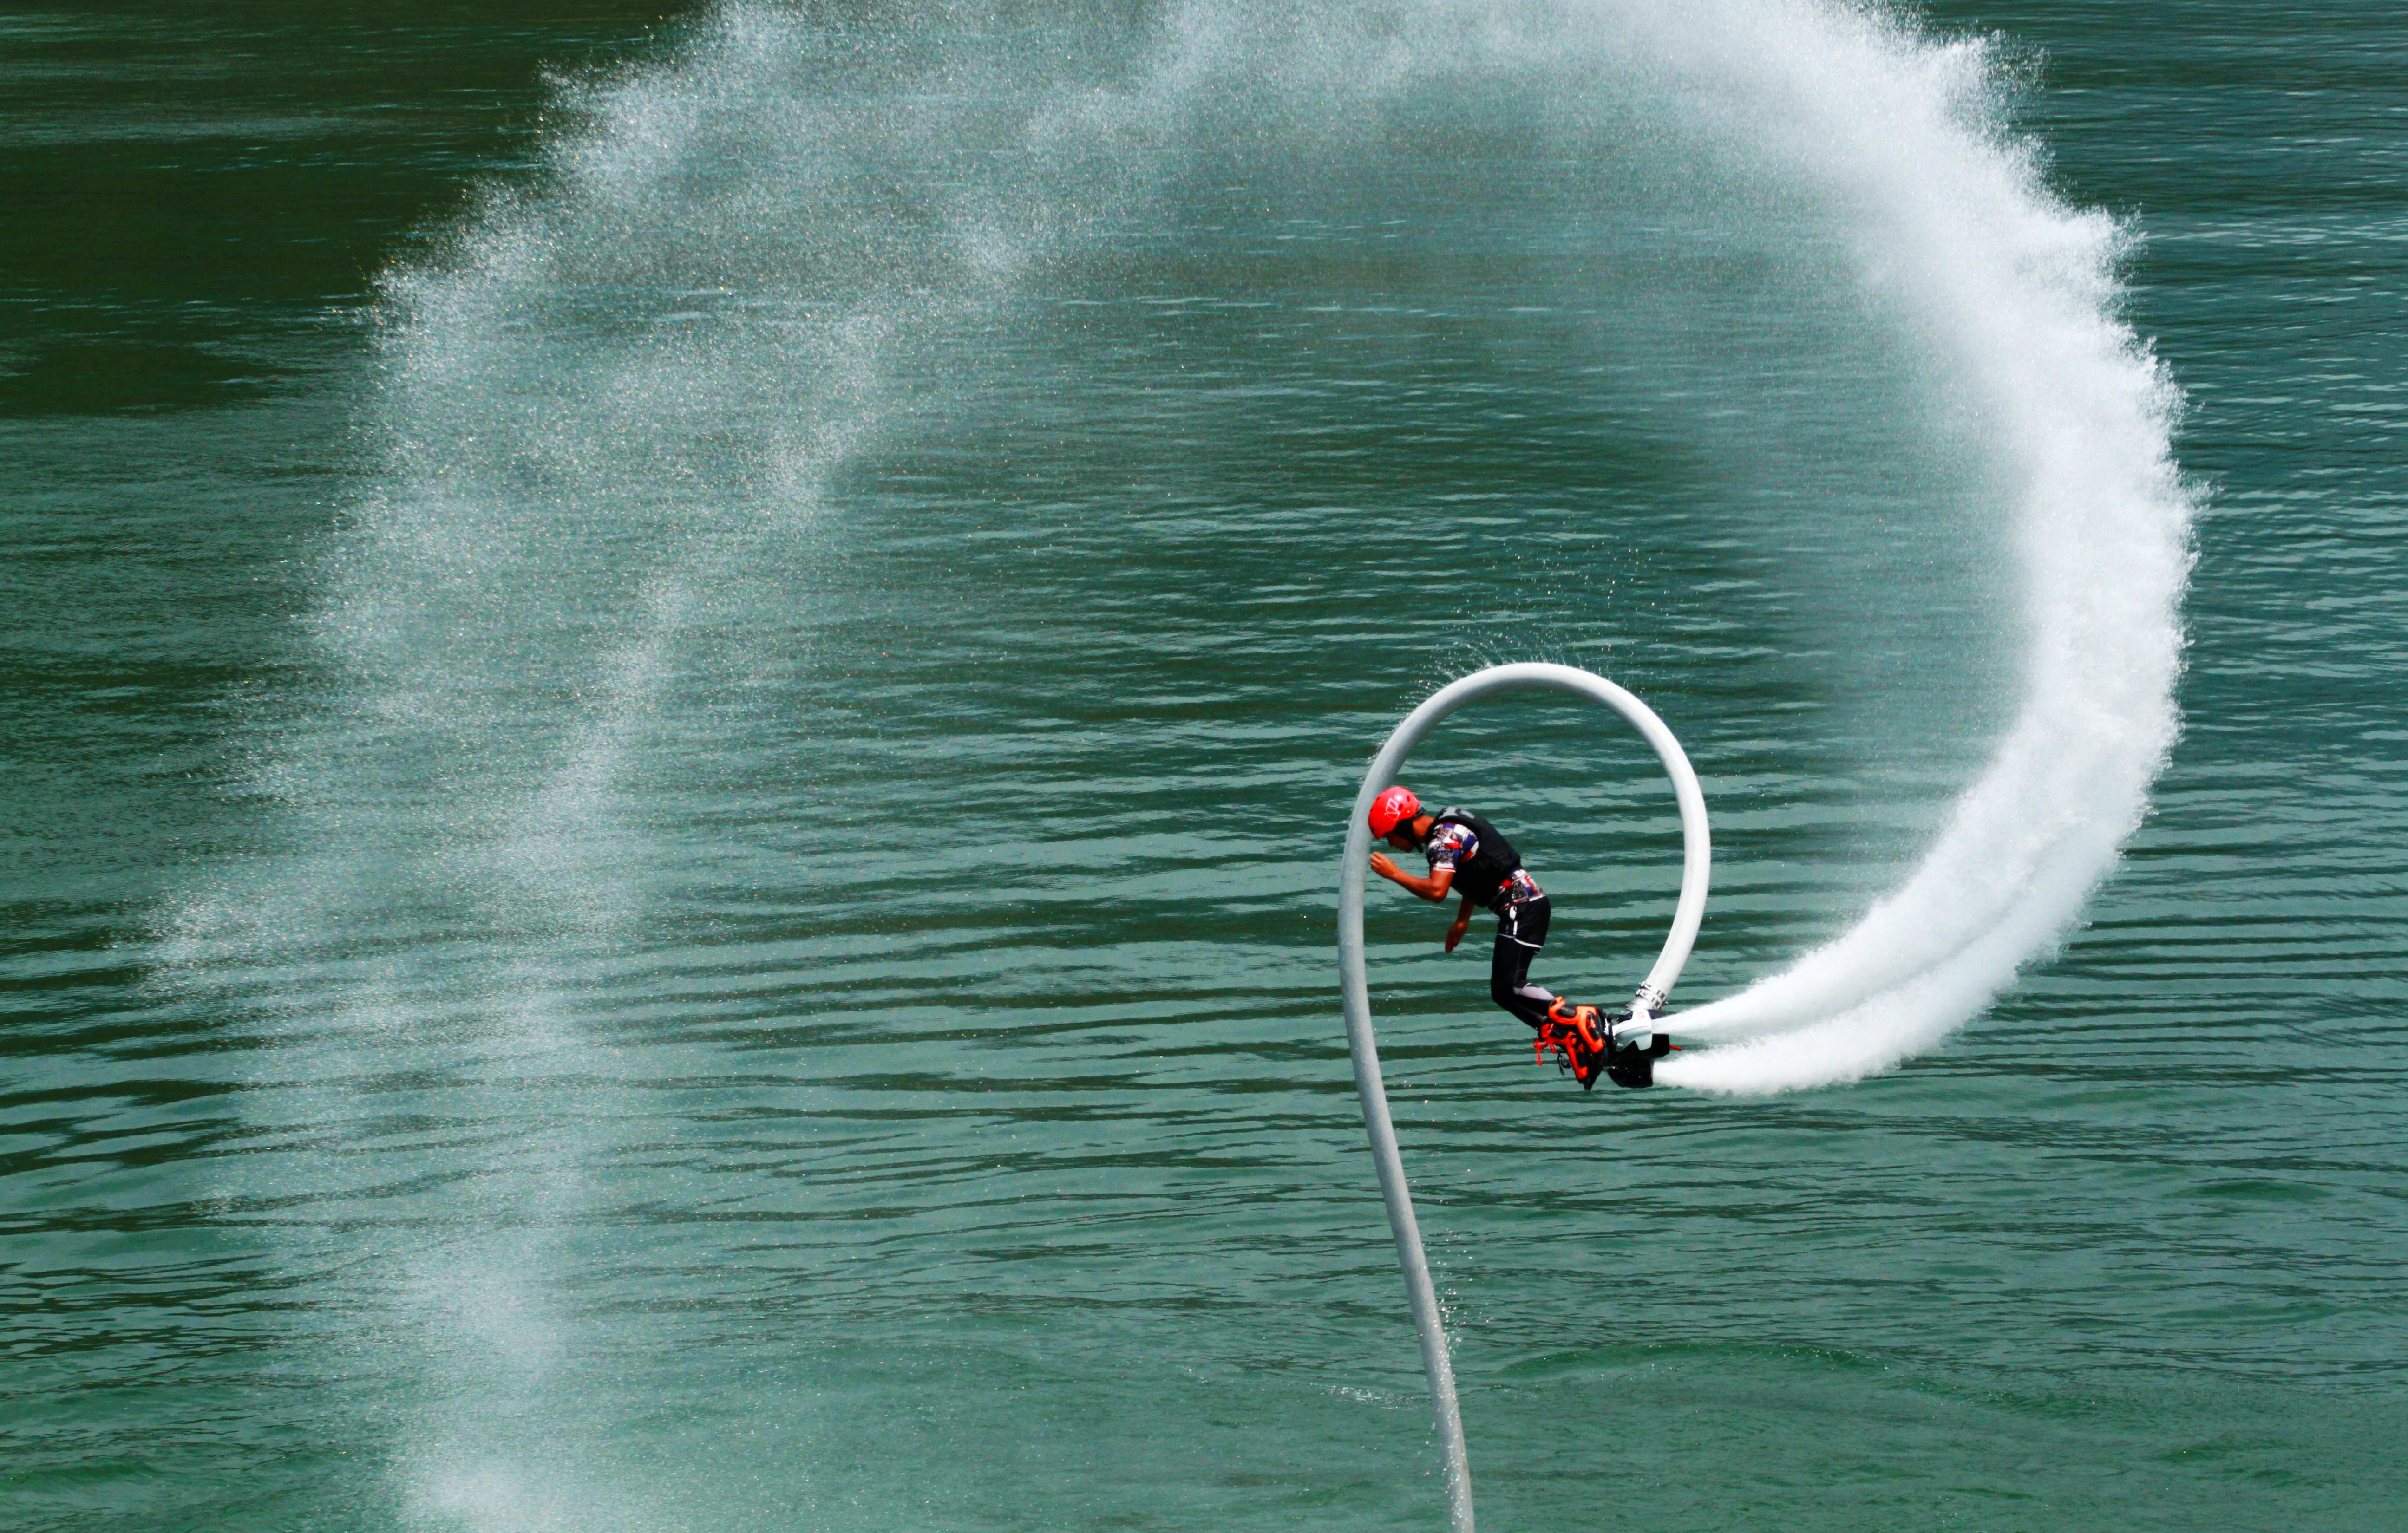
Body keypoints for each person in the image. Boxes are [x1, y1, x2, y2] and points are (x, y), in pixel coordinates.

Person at [1365, 784, 1620, 1089]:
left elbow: (1437, 890)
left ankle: (1581, 1019)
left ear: (1402, 824)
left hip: (1521, 909)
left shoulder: (1440, 840)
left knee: (1507, 987)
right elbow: (1476, 873)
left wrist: (1394, 874)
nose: (1391, 844)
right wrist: (1462, 921)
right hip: (1526, 907)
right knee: (1505, 990)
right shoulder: (1448, 826)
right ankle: (1573, 1037)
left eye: (1390, 835)